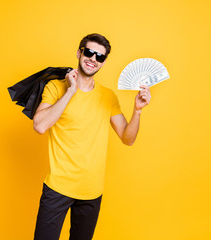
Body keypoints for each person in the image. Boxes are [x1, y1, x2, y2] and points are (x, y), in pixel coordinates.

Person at [32, 33, 151, 240]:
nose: (93, 59)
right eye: (89, 52)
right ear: (79, 53)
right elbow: (40, 126)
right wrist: (70, 91)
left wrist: (138, 110)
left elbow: (127, 138)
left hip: (91, 192)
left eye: (100, 57)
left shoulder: (108, 96)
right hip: (58, 187)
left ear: (103, 63)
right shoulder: (56, 88)